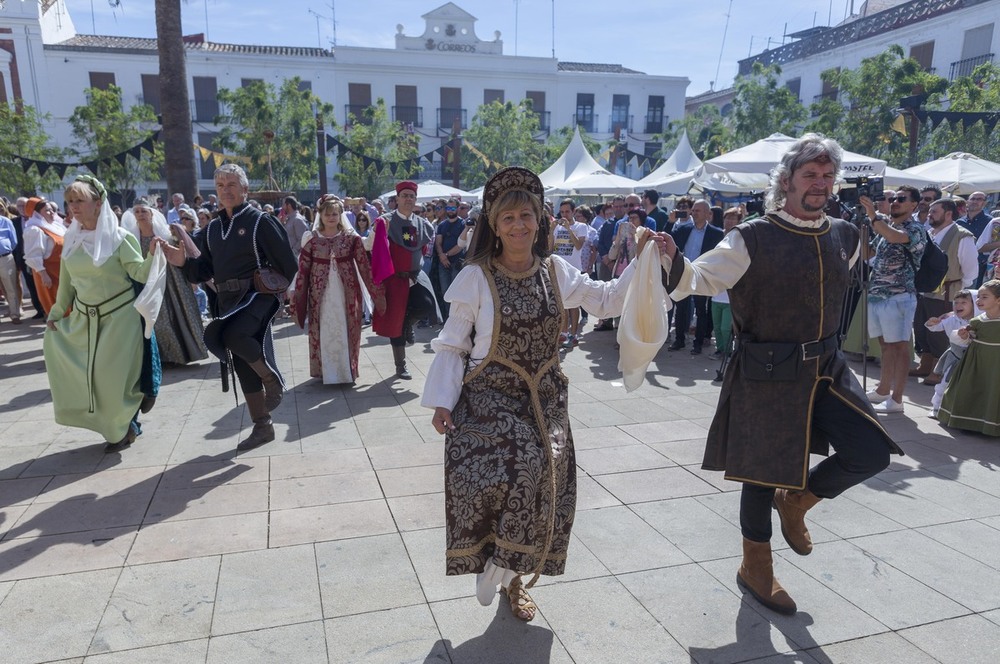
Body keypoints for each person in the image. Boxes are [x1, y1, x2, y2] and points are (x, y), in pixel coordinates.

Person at [659, 133, 901, 616]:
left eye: (827, 176)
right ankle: (756, 567)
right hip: (768, 371)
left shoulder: (846, 235)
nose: (820, 184)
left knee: (872, 452)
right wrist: (669, 256)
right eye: (810, 175)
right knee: (761, 475)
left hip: (827, 367)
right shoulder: (751, 236)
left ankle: (800, 501)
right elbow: (698, 280)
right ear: (786, 181)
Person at [423, 166, 660, 623]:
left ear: (540, 220)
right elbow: (453, 343)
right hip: (489, 395)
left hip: (544, 396)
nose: (518, 225)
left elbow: (608, 299)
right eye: (508, 217)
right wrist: (441, 401)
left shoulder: (556, 270)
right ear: (494, 225)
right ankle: (498, 561)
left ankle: (511, 577)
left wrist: (642, 257)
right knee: (520, 466)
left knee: (548, 486)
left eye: (526, 216)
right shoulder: (475, 277)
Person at [157, 164, 298, 451]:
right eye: (220, 186)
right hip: (227, 301)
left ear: (245, 189)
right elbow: (201, 270)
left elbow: (288, 264)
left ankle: (271, 379)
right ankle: (263, 426)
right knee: (241, 360)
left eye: (232, 184)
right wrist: (180, 261)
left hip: (258, 296)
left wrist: (273, 287)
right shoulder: (211, 230)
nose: (226, 190)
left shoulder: (260, 221)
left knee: (233, 336)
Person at [43, 175, 164, 452]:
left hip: (120, 318)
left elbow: (139, 273)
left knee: (112, 379)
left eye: (80, 200)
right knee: (92, 379)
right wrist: (57, 312)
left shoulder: (120, 239)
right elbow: (67, 284)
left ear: (98, 204)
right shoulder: (70, 240)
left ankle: (124, 426)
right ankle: (124, 424)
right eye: (70, 201)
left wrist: (152, 255)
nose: (73, 206)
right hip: (84, 320)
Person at [292, 197, 384, 384]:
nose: (331, 217)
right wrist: (296, 293)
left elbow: (364, 264)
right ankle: (327, 371)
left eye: (334, 213)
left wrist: (377, 292)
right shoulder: (311, 239)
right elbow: (303, 269)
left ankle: (345, 370)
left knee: (345, 325)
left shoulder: (351, 238)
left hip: (347, 291)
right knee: (325, 326)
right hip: (321, 293)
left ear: (340, 214)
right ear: (320, 215)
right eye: (327, 214)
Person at [862, 185, 926, 413]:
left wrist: (872, 215)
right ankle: (882, 390)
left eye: (901, 199)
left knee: (899, 347)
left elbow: (894, 237)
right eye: (894, 199)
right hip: (878, 296)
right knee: (885, 346)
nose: (895, 202)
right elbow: (867, 254)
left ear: (913, 205)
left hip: (900, 296)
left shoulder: (915, 228)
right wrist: (861, 228)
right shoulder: (885, 227)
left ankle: (897, 399)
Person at [121, 200, 208, 365]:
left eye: (143, 211)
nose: (140, 215)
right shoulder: (132, 239)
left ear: (151, 214)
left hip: (170, 281)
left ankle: (180, 356)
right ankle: (162, 358)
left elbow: (178, 255)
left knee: (177, 316)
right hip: (147, 283)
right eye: (137, 212)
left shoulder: (164, 234)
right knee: (158, 321)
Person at [371, 180, 438, 380]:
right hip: (393, 280)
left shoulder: (420, 223)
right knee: (395, 322)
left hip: (415, 277)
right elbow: (371, 247)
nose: (408, 199)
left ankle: (408, 324)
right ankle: (401, 366)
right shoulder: (385, 221)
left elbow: (418, 248)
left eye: (411, 196)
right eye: (405, 195)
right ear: (397, 199)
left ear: (415, 200)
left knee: (426, 306)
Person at [909, 198, 976, 385]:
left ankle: (939, 371)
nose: (929, 215)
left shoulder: (963, 236)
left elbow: (971, 270)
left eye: (934, 211)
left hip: (947, 293)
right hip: (924, 291)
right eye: (930, 212)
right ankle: (925, 364)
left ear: (948, 214)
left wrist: (960, 296)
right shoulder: (928, 233)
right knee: (922, 328)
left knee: (940, 331)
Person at [937, 280, 1000, 435]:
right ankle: (967, 420)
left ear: (998, 300)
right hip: (976, 363)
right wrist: (964, 335)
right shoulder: (977, 321)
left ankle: (990, 424)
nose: (979, 300)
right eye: (978, 297)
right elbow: (968, 339)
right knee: (973, 388)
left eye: (985, 297)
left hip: (996, 364)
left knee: (993, 391)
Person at [669, 200, 724, 354]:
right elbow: (669, 240)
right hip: (684, 273)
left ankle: (698, 343)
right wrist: (670, 222)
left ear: (708, 214)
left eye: (698, 211)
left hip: (702, 275)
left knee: (701, 310)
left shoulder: (717, 233)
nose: (694, 213)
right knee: (681, 308)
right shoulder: (683, 229)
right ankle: (679, 340)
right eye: (693, 210)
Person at [924, 290, 975, 417]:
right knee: (944, 382)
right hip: (955, 357)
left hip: (972, 358)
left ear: (974, 304)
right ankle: (936, 407)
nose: (959, 305)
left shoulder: (977, 321)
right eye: (956, 302)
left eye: (964, 302)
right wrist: (932, 322)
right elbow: (937, 327)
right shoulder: (952, 319)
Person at [23, 197, 66, 316]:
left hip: (63, 272)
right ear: (36, 213)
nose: (52, 212)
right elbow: (33, 256)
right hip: (50, 275)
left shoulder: (56, 226)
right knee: (58, 305)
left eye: (52, 209)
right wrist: (44, 275)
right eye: (47, 210)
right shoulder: (34, 230)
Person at [0, 212, 21, 324]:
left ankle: (15, 314)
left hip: (5, 258)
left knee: (11, 288)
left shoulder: (6, 221)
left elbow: (14, 241)